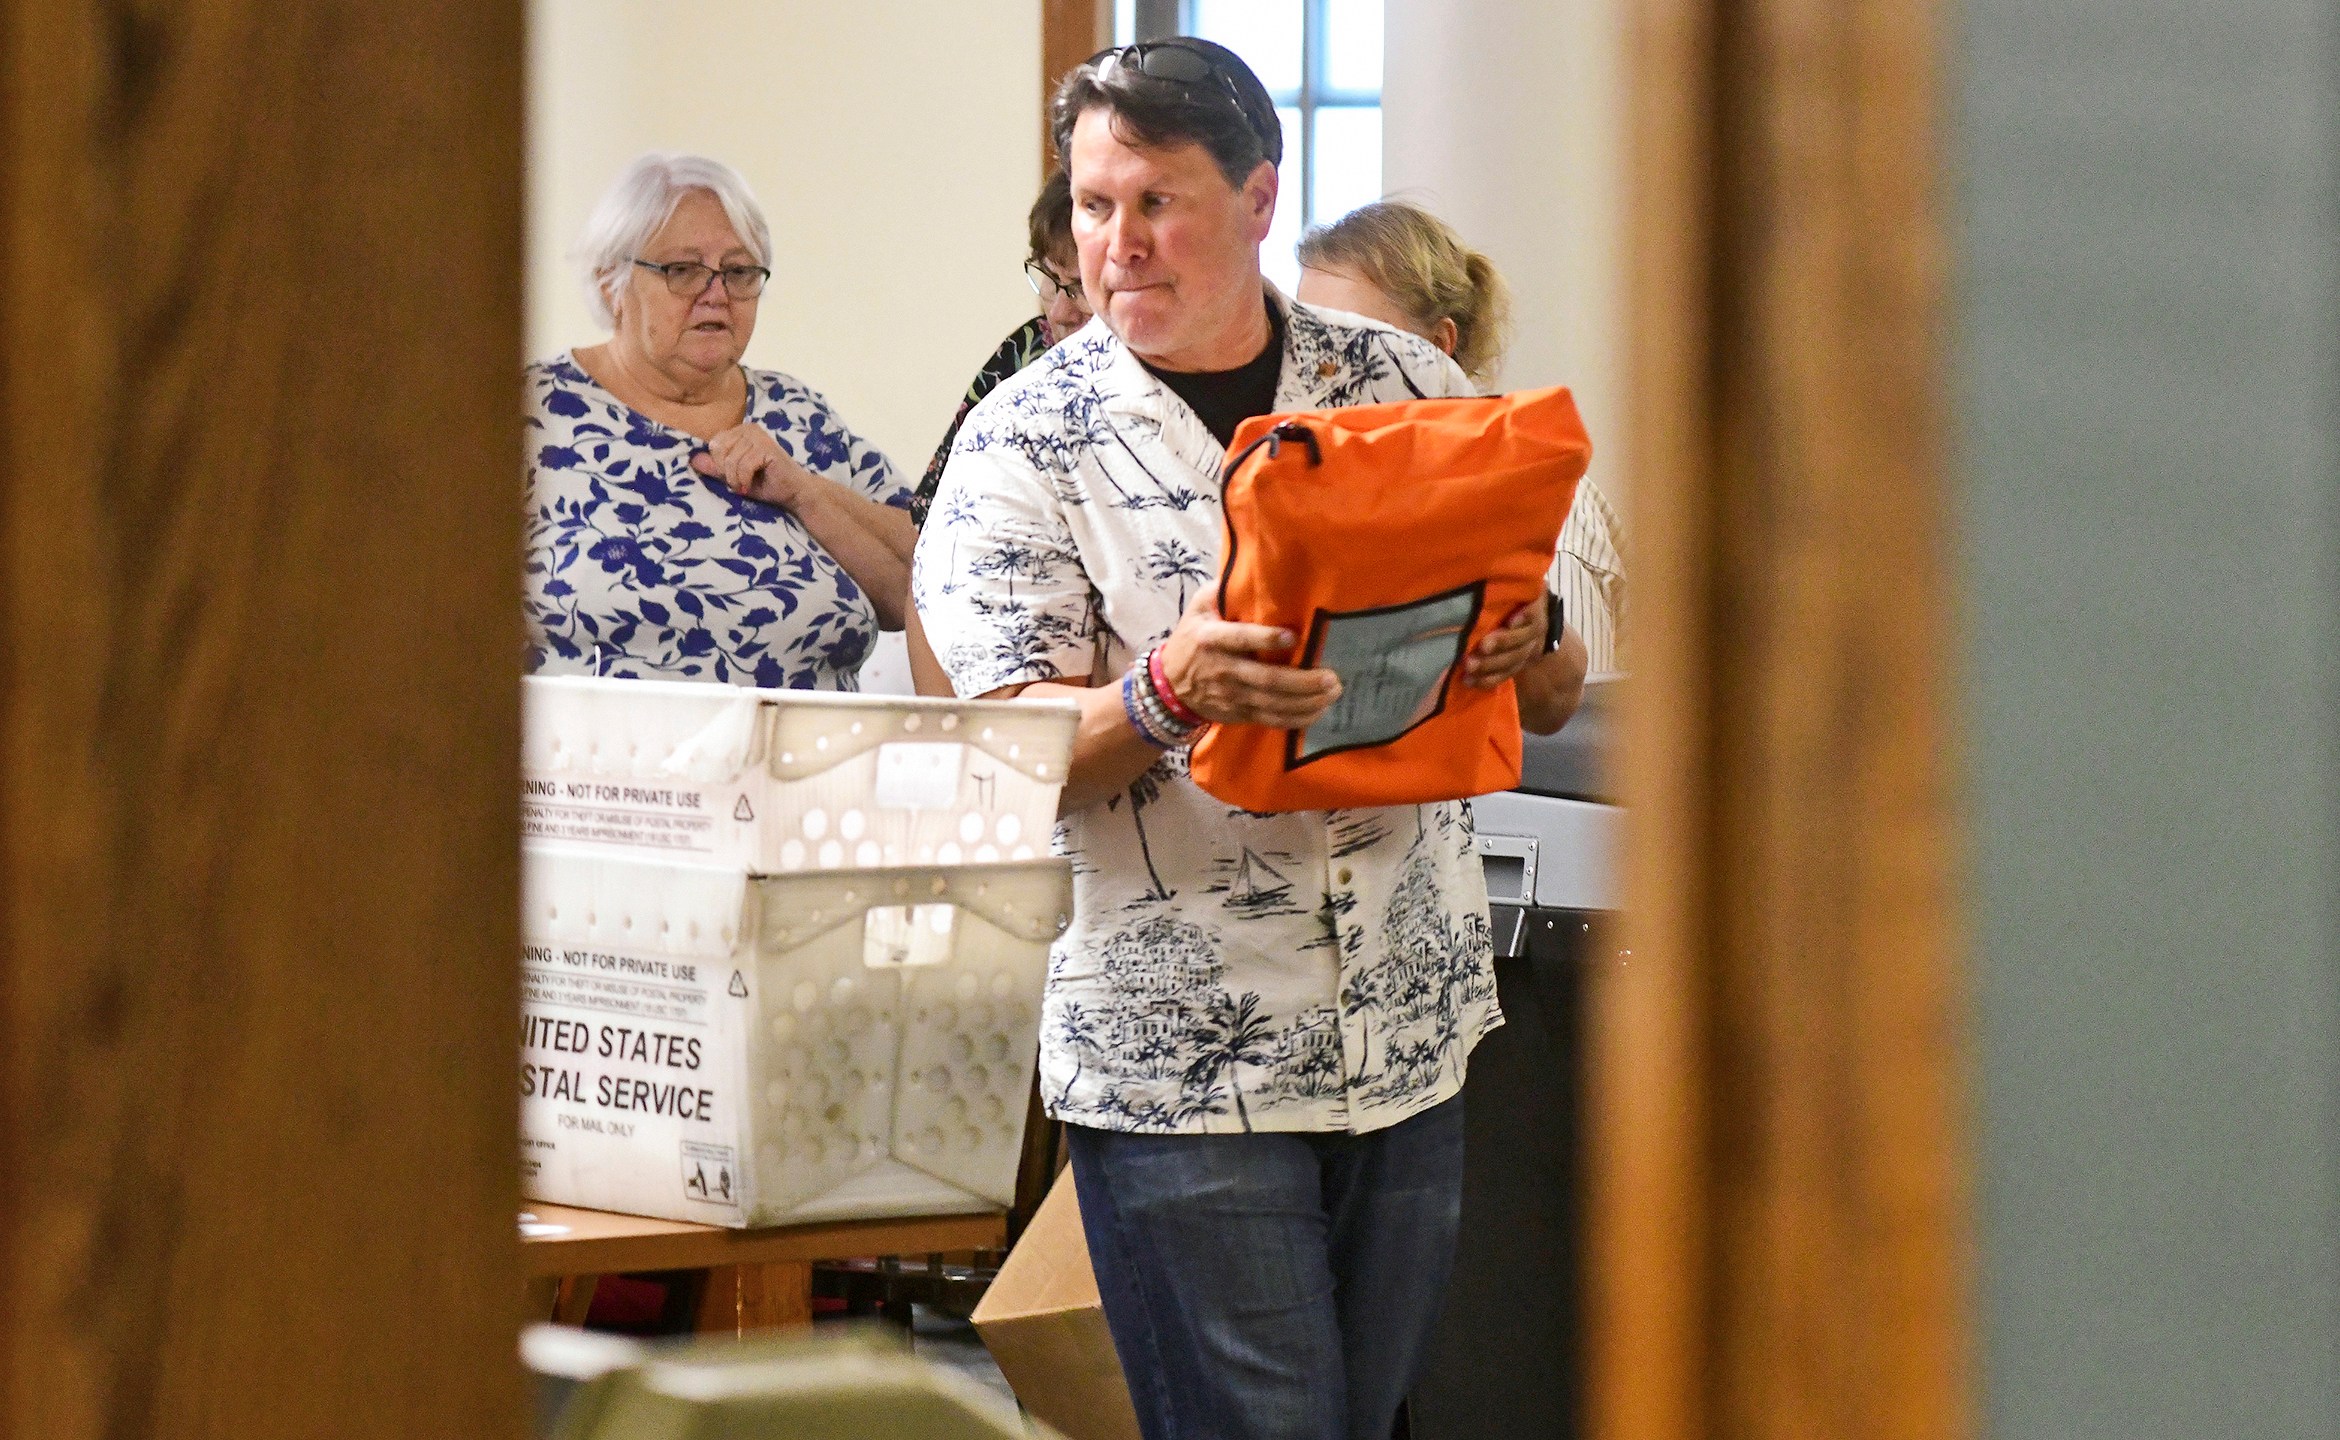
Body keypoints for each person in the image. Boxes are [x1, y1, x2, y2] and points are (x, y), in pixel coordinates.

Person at [912, 39, 1588, 1440]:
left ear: (1260, 194)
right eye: (1094, 207)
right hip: (1181, 1057)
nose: (1119, 245)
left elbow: (1555, 688)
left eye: (1156, 202)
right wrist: (1168, 692)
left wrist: (1534, 640)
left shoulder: (1400, 379)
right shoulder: (1022, 445)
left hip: (1412, 1017)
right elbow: (1003, 758)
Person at [525, 152, 914, 688]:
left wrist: (804, 492)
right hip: (598, 764)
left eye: (738, 272)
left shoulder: (800, 417)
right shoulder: (532, 414)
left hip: (807, 761)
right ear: (611, 283)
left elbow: (928, 578)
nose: (717, 294)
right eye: (681, 270)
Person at [1297, 200, 1627, 672]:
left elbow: (1579, 728)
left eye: (1353, 343)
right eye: (1308, 340)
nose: (1317, 372)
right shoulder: (1338, 495)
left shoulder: (1544, 506)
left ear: (1436, 348)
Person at [903, 170, 1095, 695]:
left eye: (1079, 289)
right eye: (1048, 281)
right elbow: (929, 541)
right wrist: (943, 729)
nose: (1059, 310)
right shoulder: (1023, 353)